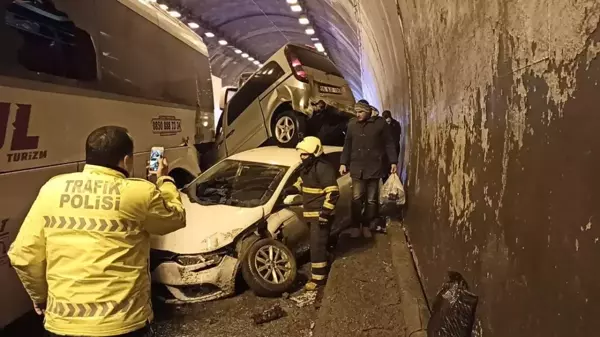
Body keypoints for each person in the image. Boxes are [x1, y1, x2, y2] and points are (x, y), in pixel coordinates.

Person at [8, 126, 186, 337]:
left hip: (62, 324)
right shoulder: (139, 193)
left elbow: (23, 255)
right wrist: (164, 180)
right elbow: (175, 218)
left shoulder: (51, 189)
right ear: (127, 160)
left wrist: (41, 298)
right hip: (123, 323)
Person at [287, 136, 340, 291]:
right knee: (319, 244)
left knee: (317, 247)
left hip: (320, 215)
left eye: (305, 155)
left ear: (314, 153)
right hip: (311, 213)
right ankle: (325, 265)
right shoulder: (306, 167)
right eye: (301, 155)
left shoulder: (323, 168)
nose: (302, 157)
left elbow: (333, 193)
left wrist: (324, 213)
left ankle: (318, 280)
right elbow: (301, 183)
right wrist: (290, 189)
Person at [340, 102, 397, 238]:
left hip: (373, 167)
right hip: (357, 167)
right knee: (356, 198)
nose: (357, 115)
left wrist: (393, 161)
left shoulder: (380, 123)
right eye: (356, 112)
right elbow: (347, 145)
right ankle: (355, 226)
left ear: (368, 111)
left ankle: (366, 225)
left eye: (360, 112)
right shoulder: (352, 124)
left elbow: (389, 142)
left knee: (371, 200)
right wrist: (343, 162)